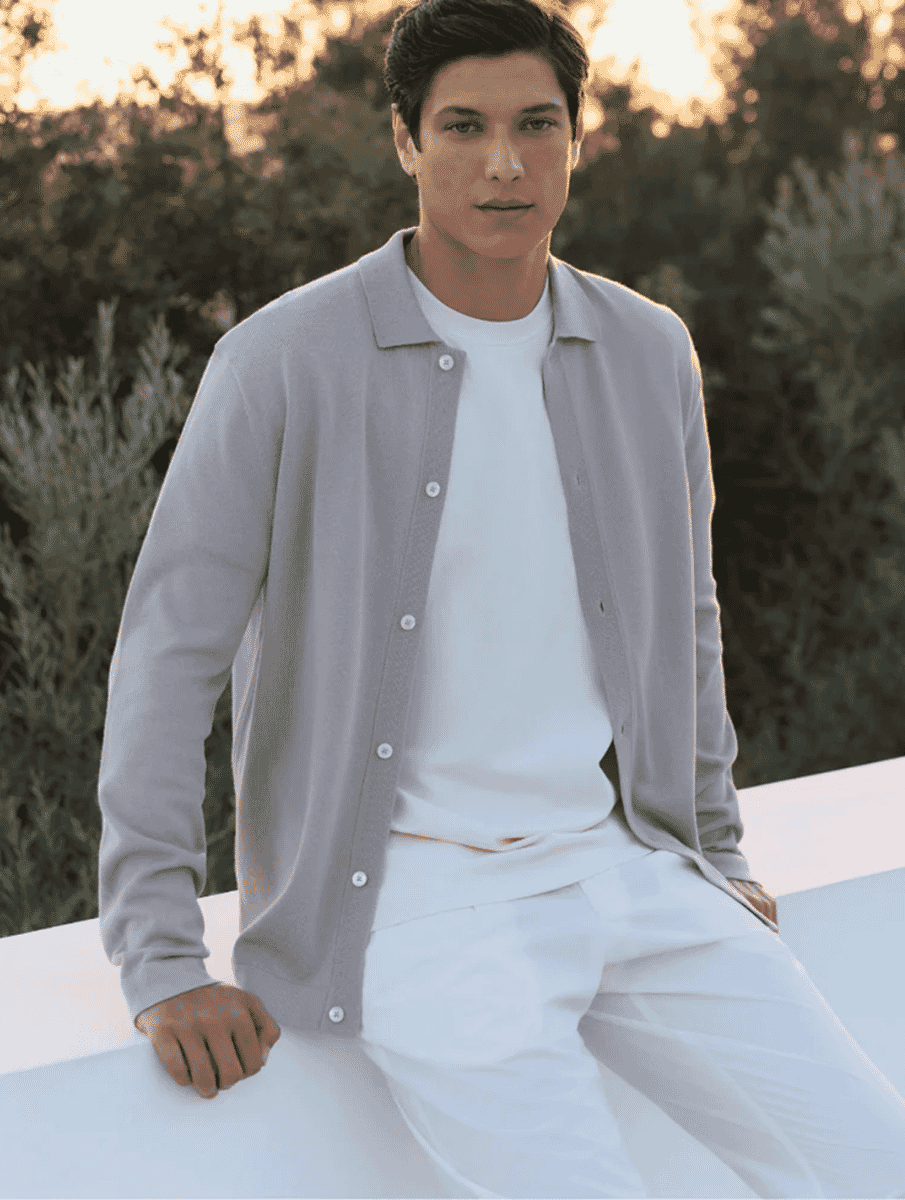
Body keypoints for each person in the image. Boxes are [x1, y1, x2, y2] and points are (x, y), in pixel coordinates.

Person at [97, 0, 905, 1195]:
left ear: (577, 140)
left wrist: (715, 847)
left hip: (632, 870)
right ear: (404, 141)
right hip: (418, 909)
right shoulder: (282, 361)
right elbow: (170, 654)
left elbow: (686, 616)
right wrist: (161, 955)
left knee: (869, 1162)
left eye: (536, 125)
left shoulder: (644, 349)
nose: (502, 162)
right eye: (462, 126)